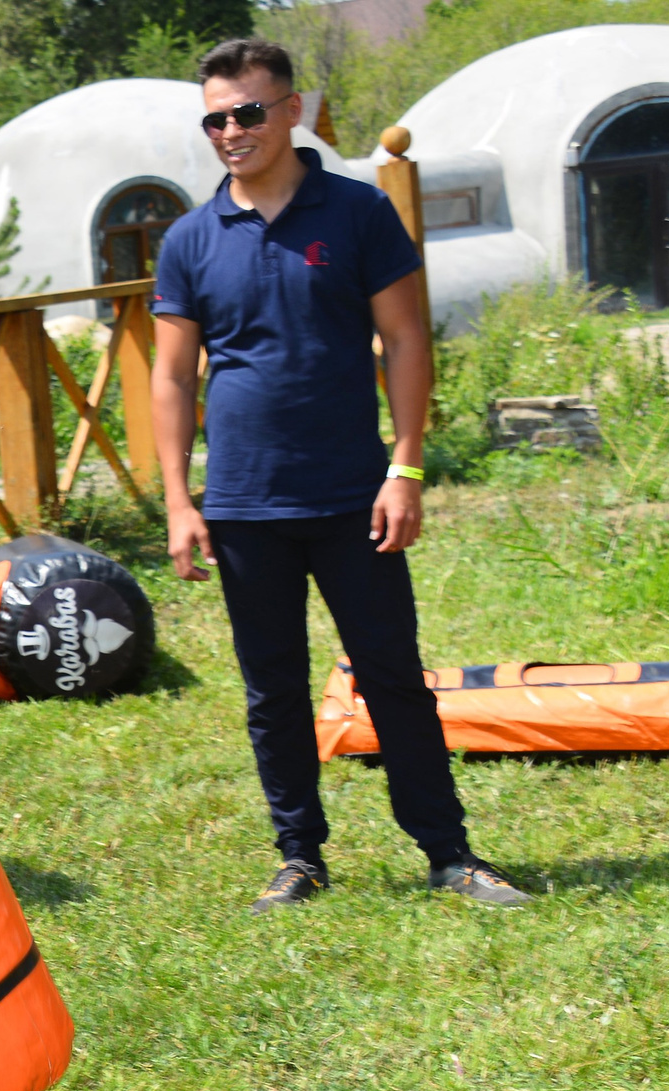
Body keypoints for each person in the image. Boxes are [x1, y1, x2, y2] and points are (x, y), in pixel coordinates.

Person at [149, 38, 526, 913]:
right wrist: (178, 500)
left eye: (247, 111)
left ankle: (449, 853)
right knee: (272, 689)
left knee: (392, 674)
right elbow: (170, 377)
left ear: (292, 111)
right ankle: (299, 857)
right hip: (244, 504)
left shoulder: (356, 214)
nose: (231, 131)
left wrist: (407, 466)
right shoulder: (190, 239)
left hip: (357, 496)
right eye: (215, 117)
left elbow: (406, 340)